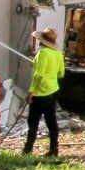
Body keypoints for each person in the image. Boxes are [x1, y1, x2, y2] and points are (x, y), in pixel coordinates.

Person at [23, 27, 65, 156]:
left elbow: (38, 75)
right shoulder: (58, 53)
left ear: (41, 41)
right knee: (51, 121)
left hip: (40, 93)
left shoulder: (42, 53)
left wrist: (31, 92)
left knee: (33, 122)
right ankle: (54, 149)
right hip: (53, 91)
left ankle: (28, 150)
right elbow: (61, 73)